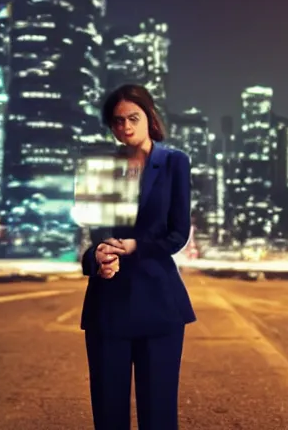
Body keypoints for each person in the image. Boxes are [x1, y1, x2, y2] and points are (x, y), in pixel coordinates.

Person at [79, 84, 196, 429]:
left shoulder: (174, 162)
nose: (125, 127)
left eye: (133, 117)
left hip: (158, 302)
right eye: (117, 121)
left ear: (149, 117)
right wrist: (97, 258)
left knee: (158, 413)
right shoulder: (99, 167)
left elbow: (177, 234)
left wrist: (134, 246)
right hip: (108, 304)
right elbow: (89, 239)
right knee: (108, 412)